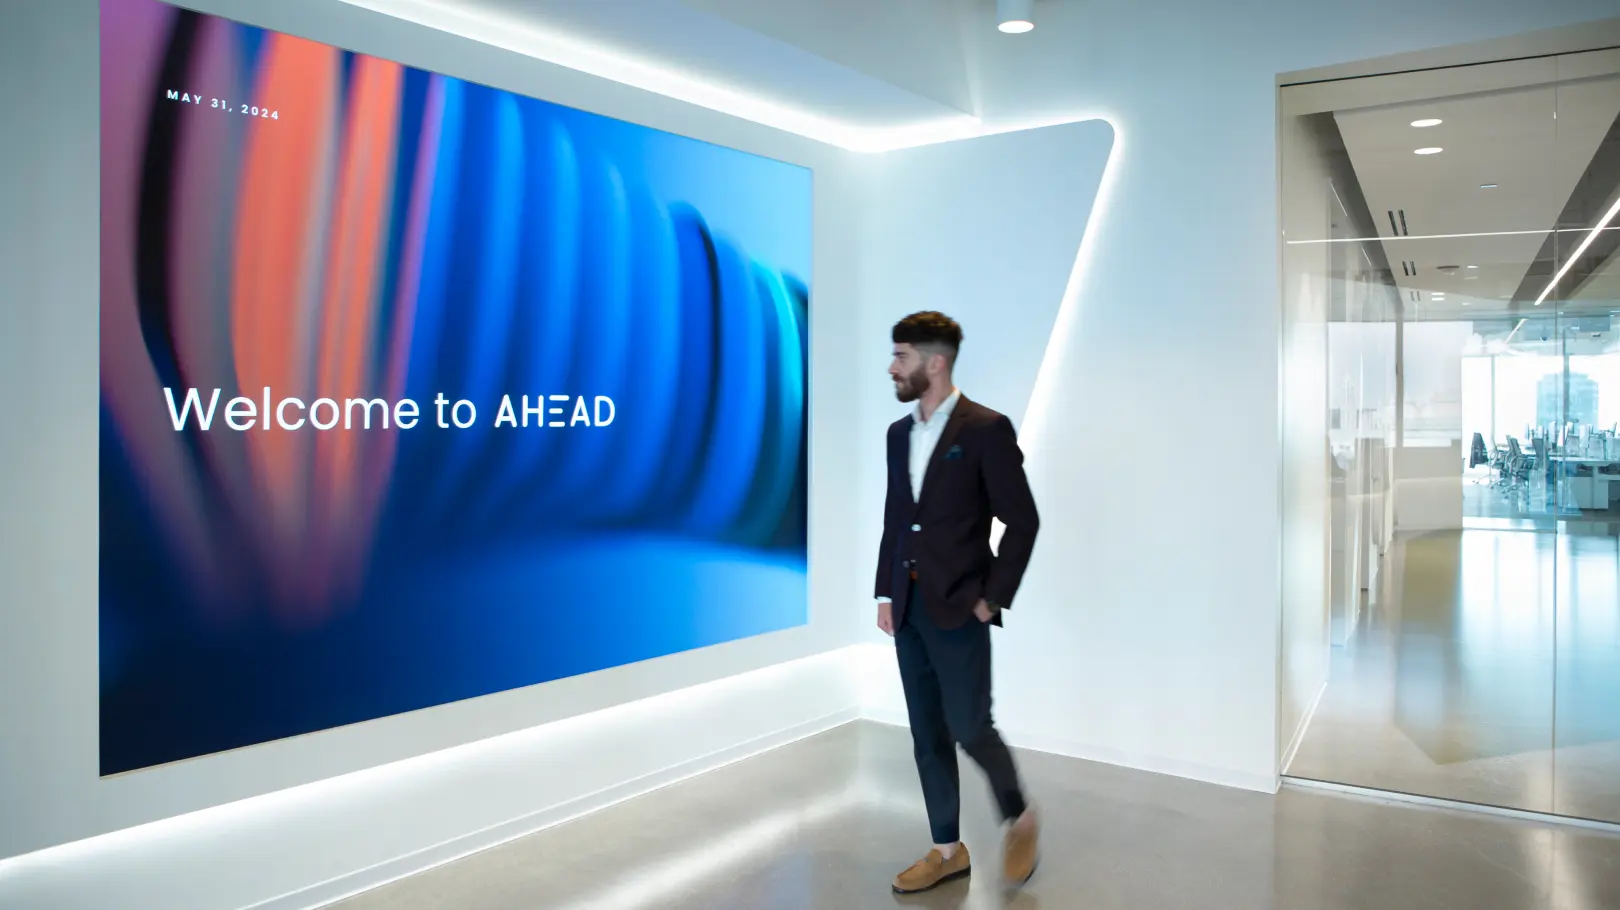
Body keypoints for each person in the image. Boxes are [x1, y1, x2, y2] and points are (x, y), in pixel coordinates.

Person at [874, 311, 1041, 894]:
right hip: (909, 607)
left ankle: (1018, 815)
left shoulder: (984, 429)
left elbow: (1022, 520)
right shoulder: (899, 434)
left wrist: (992, 599)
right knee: (926, 732)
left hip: (960, 605)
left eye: (902, 357)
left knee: (970, 726)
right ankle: (948, 849)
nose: (892, 367)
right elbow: (897, 519)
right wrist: (885, 590)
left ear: (934, 363)